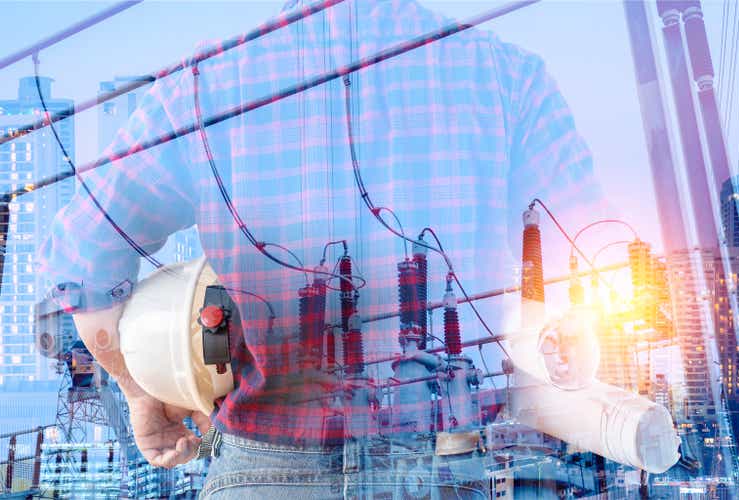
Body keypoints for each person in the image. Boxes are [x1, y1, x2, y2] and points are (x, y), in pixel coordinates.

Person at [37, 0, 602, 497]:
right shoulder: (508, 76)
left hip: (264, 470)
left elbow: (82, 256)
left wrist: (141, 394)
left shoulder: (204, 84)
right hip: (446, 465)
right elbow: (580, 273)